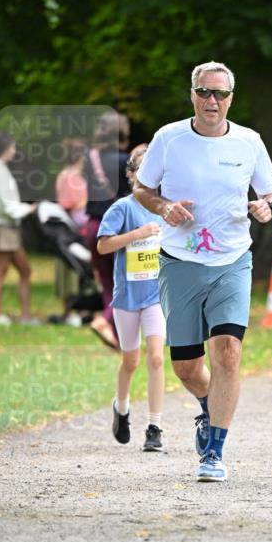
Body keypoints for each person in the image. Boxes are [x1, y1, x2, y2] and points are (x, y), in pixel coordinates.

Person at [133, 60, 272, 482]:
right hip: (179, 262)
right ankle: (206, 405)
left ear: (231, 98)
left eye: (220, 93)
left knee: (228, 353)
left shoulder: (249, 142)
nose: (211, 101)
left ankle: (214, 451)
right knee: (186, 366)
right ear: (193, 95)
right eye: (204, 92)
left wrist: (267, 207)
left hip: (233, 259)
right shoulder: (169, 138)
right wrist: (164, 207)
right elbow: (142, 188)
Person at [97, 145, 166, 452]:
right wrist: (137, 234)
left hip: (156, 295)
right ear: (131, 175)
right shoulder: (122, 208)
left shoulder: (166, 207)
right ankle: (121, 408)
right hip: (127, 297)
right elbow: (103, 246)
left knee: (156, 357)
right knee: (130, 361)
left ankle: (155, 426)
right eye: (142, 172)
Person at [0, 130, 38, 325]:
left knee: (25, 270)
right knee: (1, 270)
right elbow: (2, 204)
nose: (13, 151)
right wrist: (27, 209)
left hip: (8, 227)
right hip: (0, 226)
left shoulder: (0, 169)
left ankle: (25, 316)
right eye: (12, 147)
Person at [83, 111, 131, 349]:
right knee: (126, 282)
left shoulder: (88, 158)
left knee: (107, 282)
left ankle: (117, 338)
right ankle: (104, 320)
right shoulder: (124, 161)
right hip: (116, 229)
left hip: (92, 226)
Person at [54, 137, 88, 326]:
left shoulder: (73, 176)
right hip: (73, 230)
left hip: (79, 229)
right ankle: (70, 311)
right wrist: (85, 202)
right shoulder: (69, 176)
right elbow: (66, 203)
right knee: (72, 270)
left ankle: (80, 310)